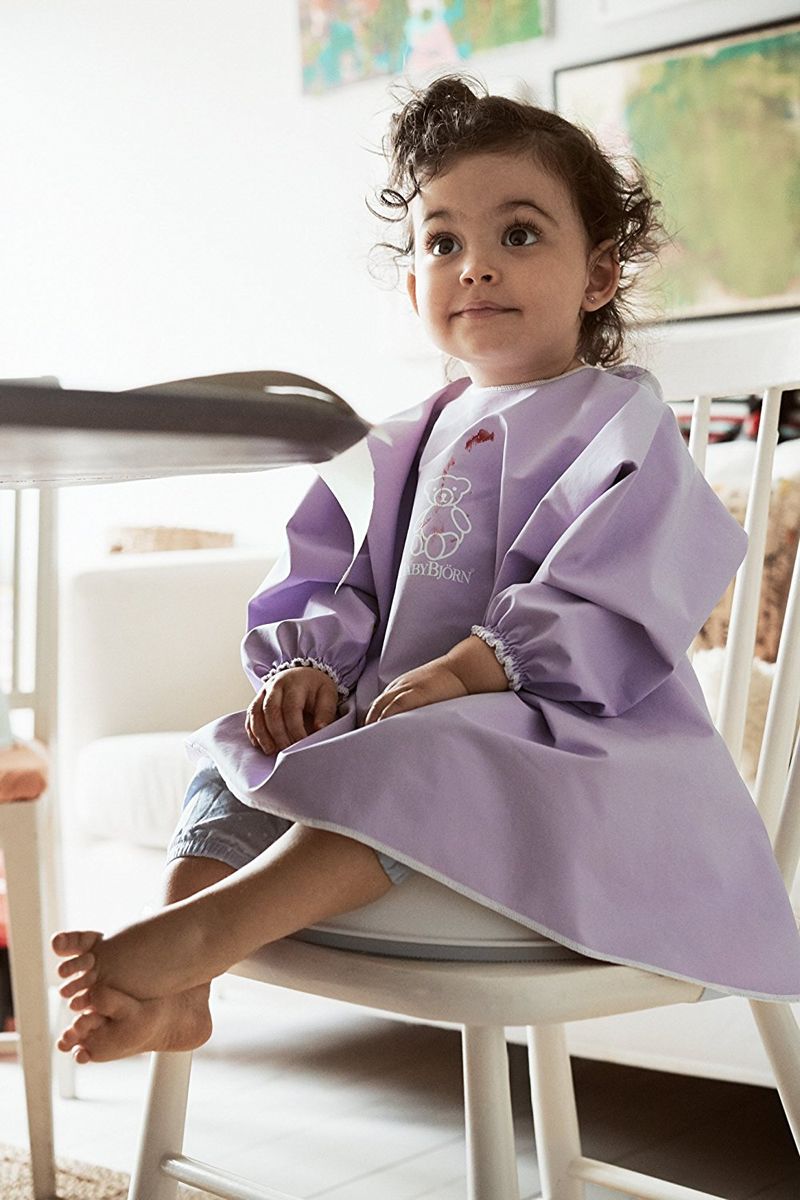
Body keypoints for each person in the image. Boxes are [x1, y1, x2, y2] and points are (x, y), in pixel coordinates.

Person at [53, 74, 800, 1063]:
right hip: (400, 724)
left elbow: (618, 589)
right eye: (442, 243)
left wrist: (467, 669)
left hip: (573, 745)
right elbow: (334, 568)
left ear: (598, 275)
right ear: (412, 285)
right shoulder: (399, 439)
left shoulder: (619, 423)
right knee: (237, 749)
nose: (474, 267)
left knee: (437, 751)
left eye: (518, 235)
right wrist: (306, 665)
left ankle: (201, 937)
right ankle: (183, 982)